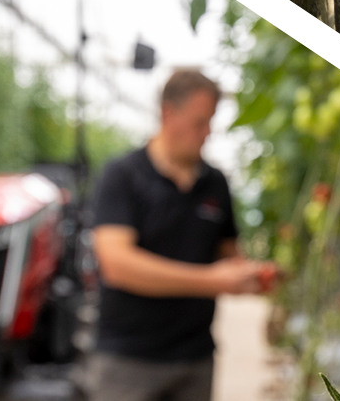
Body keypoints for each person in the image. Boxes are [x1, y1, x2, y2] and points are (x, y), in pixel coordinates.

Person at [90, 69, 279, 401]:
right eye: (199, 122)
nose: (207, 133)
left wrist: (251, 274)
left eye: (210, 122)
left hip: (196, 359)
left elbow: (227, 257)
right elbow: (117, 264)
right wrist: (211, 281)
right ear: (168, 113)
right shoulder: (122, 176)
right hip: (128, 362)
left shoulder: (215, 183)